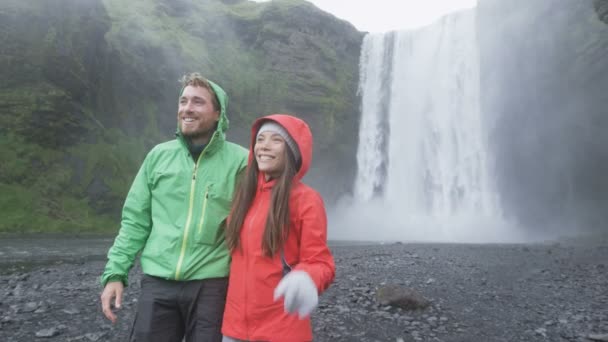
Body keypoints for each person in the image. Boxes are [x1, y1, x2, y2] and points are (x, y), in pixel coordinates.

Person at [99, 72, 248, 342]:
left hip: (212, 285)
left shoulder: (242, 162)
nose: (187, 108)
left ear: (218, 113)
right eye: (183, 101)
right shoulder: (159, 156)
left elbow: (262, 219)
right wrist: (115, 273)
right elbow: (135, 221)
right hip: (158, 282)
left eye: (198, 102)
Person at [222, 114, 335, 341]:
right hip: (234, 328)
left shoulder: (306, 200)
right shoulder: (245, 196)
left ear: (291, 151)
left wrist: (307, 278)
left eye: (276, 140)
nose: (264, 146)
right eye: (260, 139)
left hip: (282, 329)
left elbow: (321, 262)